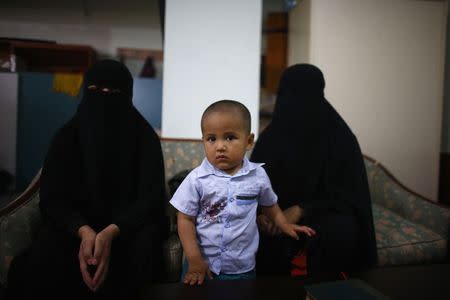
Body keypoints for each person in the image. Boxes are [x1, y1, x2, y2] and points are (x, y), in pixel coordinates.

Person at [6, 60, 167, 299]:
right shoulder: (66, 137)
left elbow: (151, 200)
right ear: (85, 93)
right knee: (41, 258)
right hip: (74, 229)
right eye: (95, 92)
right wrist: (83, 231)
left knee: (141, 252)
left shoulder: (145, 139)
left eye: (114, 93)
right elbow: (53, 198)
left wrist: (110, 232)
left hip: (127, 230)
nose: (105, 99)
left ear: (129, 97)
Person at [169, 100, 316, 285]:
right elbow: (184, 219)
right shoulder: (197, 179)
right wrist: (194, 259)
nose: (220, 146)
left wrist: (283, 224)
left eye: (229, 137)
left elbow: (269, 204)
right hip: (201, 267)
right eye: (211, 139)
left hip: (241, 268)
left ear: (249, 141)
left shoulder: (258, 175)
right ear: (203, 141)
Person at [251, 64, 377, 277]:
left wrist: (301, 209)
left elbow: (349, 196)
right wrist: (262, 214)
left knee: (341, 231)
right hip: (276, 213)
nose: (294, 104)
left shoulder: (341, 138)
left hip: (324, 214)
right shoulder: (271, 138)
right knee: (257, 234)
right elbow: (253, 185)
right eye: (288, 95)